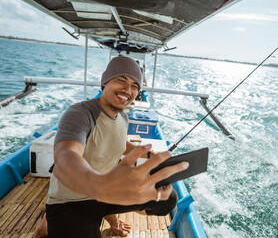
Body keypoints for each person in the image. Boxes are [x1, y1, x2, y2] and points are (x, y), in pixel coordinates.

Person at [36, 55, 189, 238]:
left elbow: (117, 141)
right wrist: (98, 185)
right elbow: (65, 155)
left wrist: (149, 155)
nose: (127, 90)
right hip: (71, 200)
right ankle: (48, 223)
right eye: (121, 81)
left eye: (135, 86)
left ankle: (107, 216)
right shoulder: (80, 113)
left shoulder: (122, 116)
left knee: (167, 200)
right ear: (104, 83)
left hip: (107, 191)